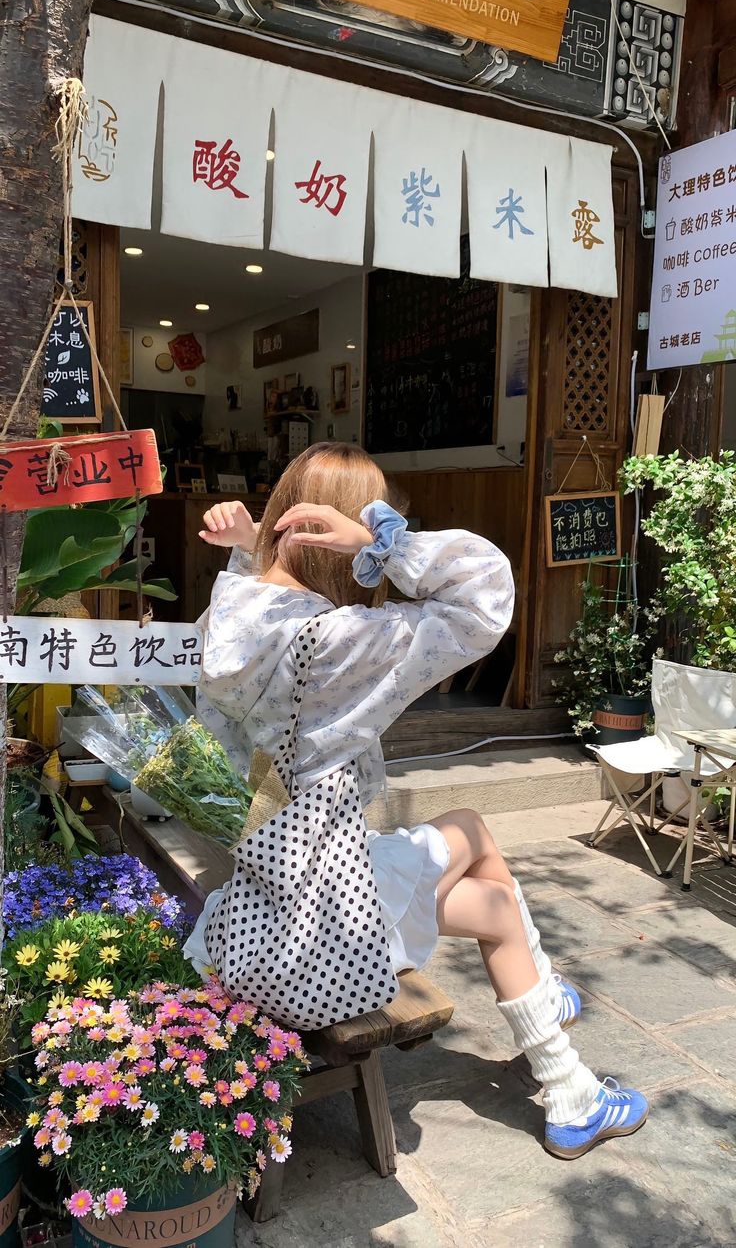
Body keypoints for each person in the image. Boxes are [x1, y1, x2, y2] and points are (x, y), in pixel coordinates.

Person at [185, 442, 648, 1160]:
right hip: (322, 916)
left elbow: (262, 606)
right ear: (335, 535)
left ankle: (558, 1036)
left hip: (265, 889)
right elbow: (483, 599)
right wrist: (385, 544)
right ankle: (568, 1085)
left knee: (477, 855)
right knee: (487, 882)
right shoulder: (338, 640)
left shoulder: (228, 614)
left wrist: (251, 549)